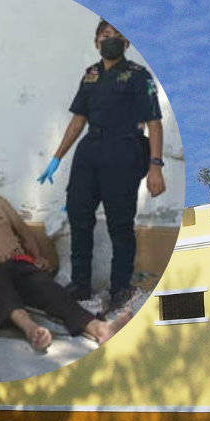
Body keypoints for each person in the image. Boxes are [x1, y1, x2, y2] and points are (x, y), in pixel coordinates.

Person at [38, 19, 165, 311]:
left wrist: (155, 165)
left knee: (120, 225)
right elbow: (78, 119)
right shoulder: (90, 75)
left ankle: (120, 289)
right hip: (89, 151)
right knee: (80, 217)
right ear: (96, 42)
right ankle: (80, 286)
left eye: (118, 36)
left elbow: (155, 123)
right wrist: (57, 157)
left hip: (124, 151)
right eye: (106, 35)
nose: (111, 40)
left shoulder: (138, 75)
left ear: (127, 43)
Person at [0, 193, 133, 351]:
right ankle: (32, 330)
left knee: (47, 288)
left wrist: (38, 257)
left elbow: (24, 231)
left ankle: (100, 328)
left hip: (20, 263)